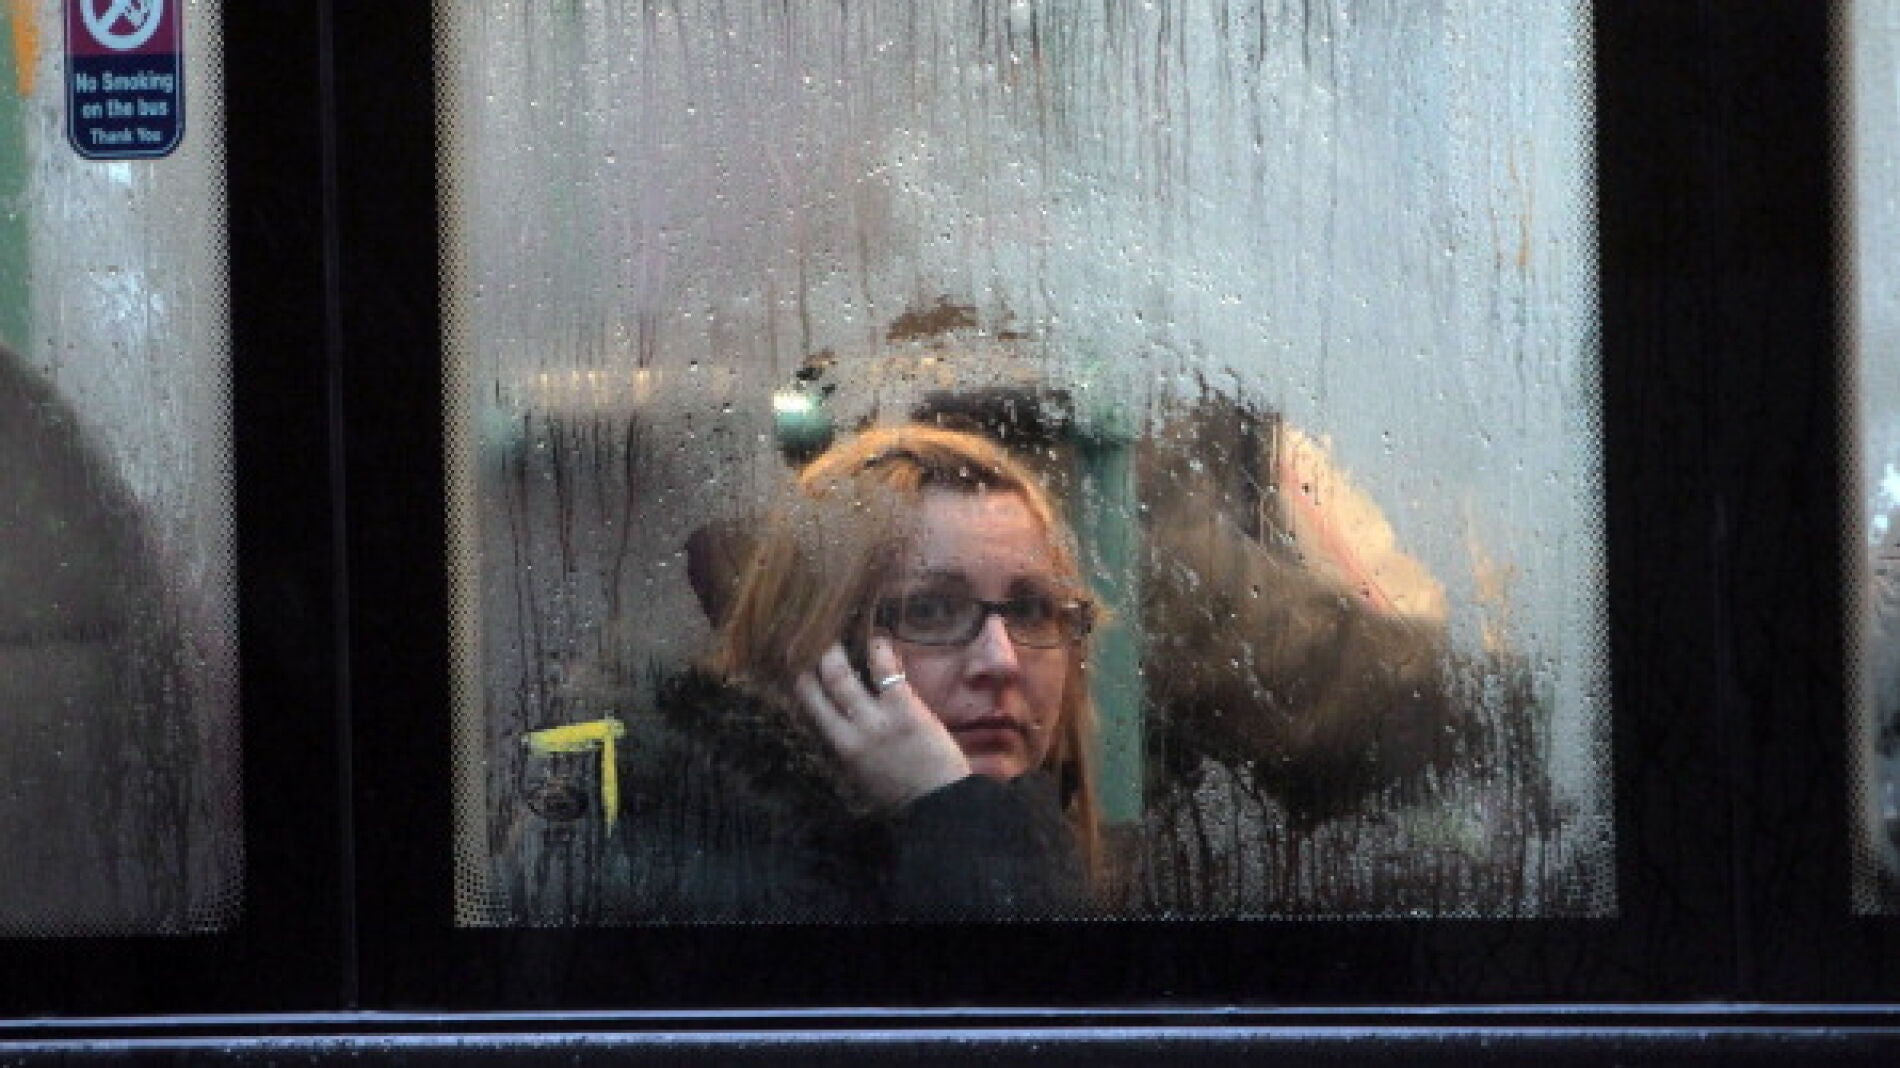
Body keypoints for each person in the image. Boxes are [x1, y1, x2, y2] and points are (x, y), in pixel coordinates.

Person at [612, 425, 1101, 921]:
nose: (1000, 661)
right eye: (929, 609)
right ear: (818, 645)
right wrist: (951, 814)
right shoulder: (697, 870)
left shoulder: (1080, 857)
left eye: (1032, 609)